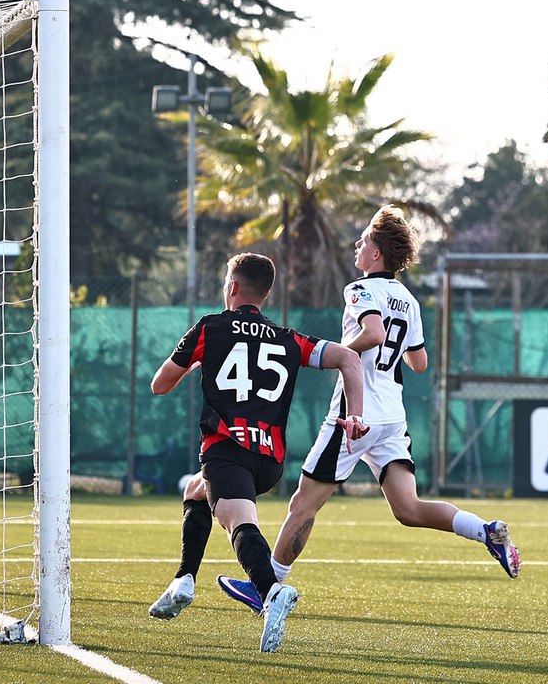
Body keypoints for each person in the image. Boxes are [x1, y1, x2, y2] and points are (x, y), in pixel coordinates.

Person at [216, 206, 522, 616]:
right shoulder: (409, 300)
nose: (357, 245)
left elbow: (374, 332)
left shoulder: (359, 289)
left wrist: (344, 352)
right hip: (392, 415)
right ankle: (484, 532)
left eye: (363, 240)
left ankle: (267, 587)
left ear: (376, 254)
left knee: (304, 503)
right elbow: (419, 363)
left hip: (354, 415)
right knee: (408, 509)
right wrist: (383, 351)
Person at [146, 253, 369, 653]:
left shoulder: (210, 328)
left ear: (232, 287)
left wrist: (200, 360)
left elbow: (159, 385)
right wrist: (355, 416)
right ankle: (184, 580)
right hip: (269, 461)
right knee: (196, 491)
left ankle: (271, 592)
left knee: (238, 525)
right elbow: (348, 358)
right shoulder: (289, 338)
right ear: (265, 294)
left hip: (227, 449)